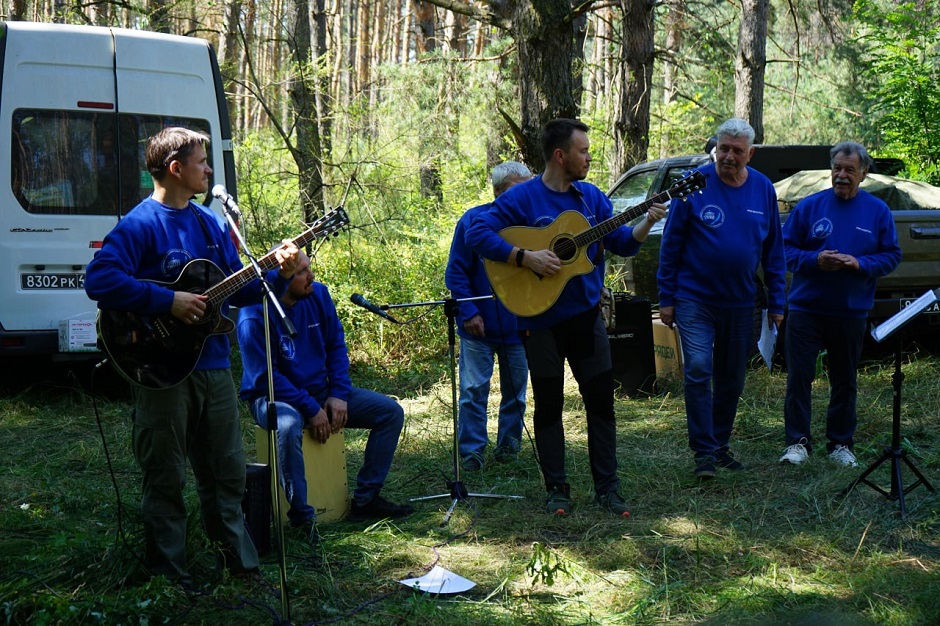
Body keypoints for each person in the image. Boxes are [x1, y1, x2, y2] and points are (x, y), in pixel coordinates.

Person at [85, 127, 301, 582]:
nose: (208, 170)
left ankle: (240, 564)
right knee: (165, 477)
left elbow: (237, 294)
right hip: (160, 370)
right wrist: (168, 302)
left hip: (213, 366)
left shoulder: (209, 223)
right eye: (202, 162)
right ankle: (169, 576)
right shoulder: (140, 224)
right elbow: (99, 280)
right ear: (175, 168)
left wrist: (276, 275)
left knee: (226, 472)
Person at [466, 119, 666, 517]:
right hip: (539, 321)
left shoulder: (591, 198)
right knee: (549, 407)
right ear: (561, 155)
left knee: (600, 405)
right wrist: (526, 257)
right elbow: (476, 234)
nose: (589, 156)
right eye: (583, 151)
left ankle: (608, 488)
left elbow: (622, 243)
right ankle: (557, 489)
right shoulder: (523, 198)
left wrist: (647, 220)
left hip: (585, 320)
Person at [237, 250, 414, 537]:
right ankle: (302, 517)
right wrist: (310, 407)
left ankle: (366, 499)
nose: (312, 276)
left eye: (310, 268)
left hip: (321, 392)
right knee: (289, 425)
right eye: (302, 272)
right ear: (281, 277)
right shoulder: (254, 313)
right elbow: (264, 377)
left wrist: (339, 394)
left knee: (389, 412)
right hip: (271, 397)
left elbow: (336, 346)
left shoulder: (318, 295)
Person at [657, 118, 787, 479]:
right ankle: (703, 453)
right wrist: (666, 297)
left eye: (737, 151)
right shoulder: (694, 184)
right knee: (699, 368)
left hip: (741, 301)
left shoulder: (763, 189)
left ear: (751, 153)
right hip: (694, 298)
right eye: (723, 148)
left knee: (732, 377)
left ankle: (719, 444)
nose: (728, 156)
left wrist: (777, 303)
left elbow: (774, 251)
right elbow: (671, 245)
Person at [779, 142, 901, 467]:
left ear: (863, 173)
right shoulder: (809, 207)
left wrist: (860, 265)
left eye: (849, 170)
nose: (842, 175)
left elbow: (891, 255)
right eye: (837, 168)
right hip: (806, 308)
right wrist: (815, 259)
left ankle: (841, 444)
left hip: (850, 311)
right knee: (799, 377)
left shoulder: (877, 211)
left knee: (845, 380)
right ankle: (797, 443)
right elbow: (784, 251)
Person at [445, 161, 532, 472]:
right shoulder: (474, 220)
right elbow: (456, 273)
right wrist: (469, 312)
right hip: (477, 327)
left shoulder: (534, 224)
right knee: (472, 392)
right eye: (516, 190)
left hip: (519, 326)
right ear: (498, 192)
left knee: (516, 394)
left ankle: (509, 450)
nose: (524, 197)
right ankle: (472, 453)